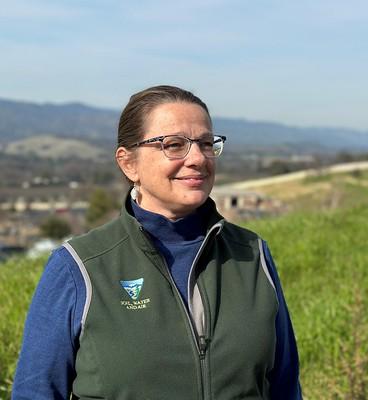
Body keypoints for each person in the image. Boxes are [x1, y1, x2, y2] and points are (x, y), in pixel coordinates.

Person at [12, 85, 302, 399]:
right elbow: (36, 392)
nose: (197, 159)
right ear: (128, 163)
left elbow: (285, 386)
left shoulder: (252, 254)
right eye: (174, 145)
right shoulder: (79, 266)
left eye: (206, 143)